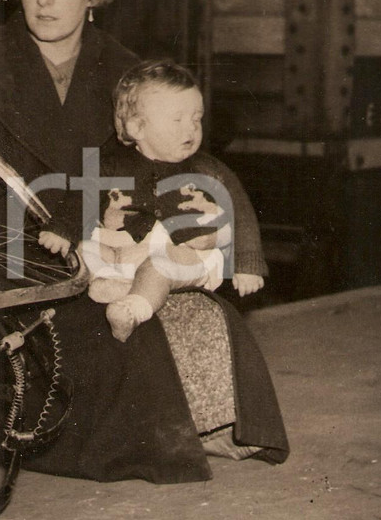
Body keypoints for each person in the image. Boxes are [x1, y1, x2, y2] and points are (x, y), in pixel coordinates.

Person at [0, 0, 288, 483]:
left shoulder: (128, 73)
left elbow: (170, 167)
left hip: (106, 243)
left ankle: (208, 425)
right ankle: (152, 438)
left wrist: (194, 220)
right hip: (6, 256)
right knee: (111, 332)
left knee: (202, 313)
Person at [40, 59, 268, 342]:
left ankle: (133, 308)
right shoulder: (107, 165)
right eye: (177, 120)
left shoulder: (207, 169)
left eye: (196, 119)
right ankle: (109, 284)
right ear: (137, 127)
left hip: (182, 253)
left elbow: (240, 211)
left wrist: (247, 264)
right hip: (123, 252)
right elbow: (80, 199)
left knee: (159, 266)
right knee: (85, 249)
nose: (191, 129)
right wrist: (62, 228)